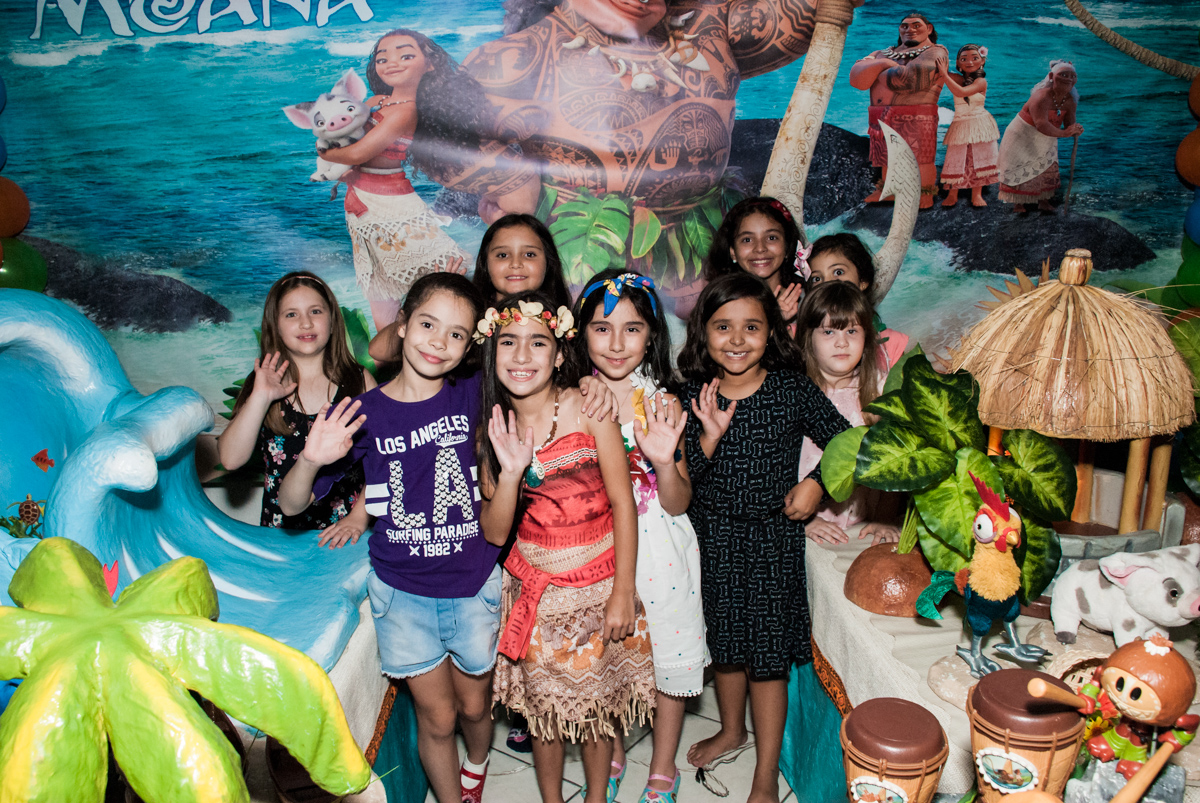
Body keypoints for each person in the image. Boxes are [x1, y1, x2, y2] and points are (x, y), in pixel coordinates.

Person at [275, 273, 502, 803]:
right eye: (426, 324)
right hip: (403, 593)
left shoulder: (474, 392)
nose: (437, 342)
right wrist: (310, 457)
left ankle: (479, 763)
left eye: (456, 334)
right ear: (401, 326)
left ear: (470, 346)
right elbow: (290, 505)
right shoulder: (360, 415)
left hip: (472, 583)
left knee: (473, 709)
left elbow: (535, 372)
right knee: (438, 716)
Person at [457, 0, 842, 302]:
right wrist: (512, 185)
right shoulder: (520, 55)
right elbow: (436, 121)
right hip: (579, 250)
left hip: (701, 243)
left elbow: (815, 11)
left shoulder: (707, 23)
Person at [678, 273, 851, 803]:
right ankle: (732, 730)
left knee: (768, 660)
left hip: (774, 543)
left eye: (751, 326)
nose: (736, 338)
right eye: (723, 326)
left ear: (771, 330)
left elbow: (847, 443)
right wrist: (707, 437)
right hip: (714, 542)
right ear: (703, 333)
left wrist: (816, 484)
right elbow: (685, 482)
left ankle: (765, 774)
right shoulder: (689, 396)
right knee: (726, 647)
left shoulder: (790, 389)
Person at [478, 290, 656, 803]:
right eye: (508, 342)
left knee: (597, 711)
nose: (521, 355)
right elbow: (494, 531)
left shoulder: (587, 406)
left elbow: (624, 504)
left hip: (600, 588)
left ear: (559, 355)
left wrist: (623, 592)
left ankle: (597, 797)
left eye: (538, 343)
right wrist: (511, 471)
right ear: (492, 353)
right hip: (535, 593)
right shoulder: (492, 426)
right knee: (546, 713)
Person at [574, 269, 709, 803]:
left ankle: (662, 769)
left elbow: (678, 502)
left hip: (661, 550)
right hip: (595, 548)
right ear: (581, 333)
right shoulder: (571, 398)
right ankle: (609, 751)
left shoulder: (664, 405)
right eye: (602, 328)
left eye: (632, 329)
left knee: (669, 661)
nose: (616, 343)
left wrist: (664, 462)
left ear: (652, 335)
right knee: (605, 655)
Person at [319, 29, 485, 332]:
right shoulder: (377, 101)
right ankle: (388, 356)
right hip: (363, 204)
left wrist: (327, 153)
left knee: (441, 271)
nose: (392, 62)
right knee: (380, 284)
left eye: (406, 55)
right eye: (383, 58)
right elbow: (349, 136)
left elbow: (360, 151)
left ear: (429, 63)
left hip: (392, 203)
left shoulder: (406, 111)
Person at [218, 271, 373, 541]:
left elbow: (385, 458)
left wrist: (359, 517)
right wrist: (260, 397)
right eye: (291, 314)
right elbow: (230, 459)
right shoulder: (263, 384)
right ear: (274, 326)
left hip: (348, 534)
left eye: (315, 311)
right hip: (281, 535)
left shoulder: (359, 381)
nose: (305, 323)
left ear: (333, 321)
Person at [369, 214, 572, 366]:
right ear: (485, 263)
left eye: (529, 254)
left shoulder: (563, 323)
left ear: (548, 262)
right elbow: (377, 350)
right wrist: (428, 302)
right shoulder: (469, 316)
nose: (516, 263)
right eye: (502, 255)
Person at [796, 281, 901, 545]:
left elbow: (898, 462)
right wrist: (805, 521)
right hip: (808, 525)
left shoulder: (881, 390)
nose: (842, 343)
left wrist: (884, 518)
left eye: (852, 331)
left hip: (864, 526)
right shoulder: (791, 394)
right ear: (808, 337)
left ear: (866, 336)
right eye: (829, 332)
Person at [849, 12, 948, 209]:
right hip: (880, 115)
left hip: (918, 114)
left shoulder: (937, 51)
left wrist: (874, 71)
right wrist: (884, 63)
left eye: (916, 25)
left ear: (929, 29)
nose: (909, 29)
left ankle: (924, 194)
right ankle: (889, 191)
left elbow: (907, 81)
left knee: (921, 158)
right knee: (887, 157)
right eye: (904, 26)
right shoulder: (883, 54)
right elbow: (857, 80)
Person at [804, 233, 910, 371]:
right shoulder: (797, 336)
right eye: (817, 279)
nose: (828, 283)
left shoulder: (890, 343)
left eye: (838, 272)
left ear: (863, 281)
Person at [997, 60, 1083, 213]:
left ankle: (1044, 201)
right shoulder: (1041, 97)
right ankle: (1018, 204)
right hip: (1023, 134)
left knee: (1046, 166)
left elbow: (1069, 123)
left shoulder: (1070, 100)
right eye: (1064, 75)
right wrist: (1064, 133)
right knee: (1021, 165)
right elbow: (1041, 124)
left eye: (1072, 76)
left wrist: (1074, 129)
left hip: (1048, 136)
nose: (1069, 79)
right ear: (1051, 76)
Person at [703, 197, 805, 325]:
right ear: (733, 252)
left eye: (771, 237)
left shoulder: (808, 304)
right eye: (747, 240)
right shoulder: (719, 306)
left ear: (787, 246)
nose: (760, 248)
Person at [936, 44, 999, 208]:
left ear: (982, 62)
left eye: (974, 58)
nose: (969, 62)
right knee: (956, 157)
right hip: (961, 122)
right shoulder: (958, 79)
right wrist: (937, 55)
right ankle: (952, 193)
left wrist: (944, 73)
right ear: (958, 64)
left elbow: (961, 92)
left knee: (976, 158)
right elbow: (937, 73)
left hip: (979, 122)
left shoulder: (981, 81)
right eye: (964, 59)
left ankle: (976, 194)